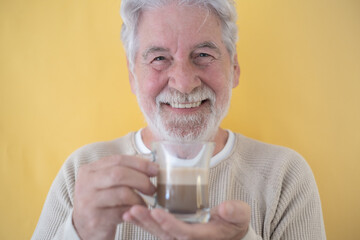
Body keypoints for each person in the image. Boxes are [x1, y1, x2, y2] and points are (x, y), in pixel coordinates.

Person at [32, 0, 326, 239]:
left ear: (234, 67)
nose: (184, 83)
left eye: (203, 54)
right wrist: (80, 232)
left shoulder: (285, 176)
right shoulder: (83, 172)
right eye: (159, 58)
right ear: (133, 75)